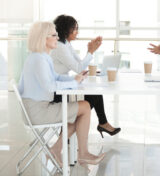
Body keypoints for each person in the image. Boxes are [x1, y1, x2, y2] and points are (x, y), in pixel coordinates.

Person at [18, 21, 105, 167]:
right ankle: (82, 154)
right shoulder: (39, 60)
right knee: (84, 107)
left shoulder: (41, 57)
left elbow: (56, 77)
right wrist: (74, 83)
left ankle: (57, 149)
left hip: (38, 108)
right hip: (38, 112)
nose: (57, 38)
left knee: (77, 112)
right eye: (54, 35)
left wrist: (74, 79)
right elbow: (50, 86)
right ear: (43, 38)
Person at [51, 15, 121, 137]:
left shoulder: (66, 44)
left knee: (94, 94)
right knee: (93, 97)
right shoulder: (59, 47)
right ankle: (70, 129)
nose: (77, 32)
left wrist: (89, 51)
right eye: (74, 28)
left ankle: (98, 123)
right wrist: (91, 51)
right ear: (65, 30)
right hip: (56, 91)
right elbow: (78, 68)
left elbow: (80, 66)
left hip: (63, 85)